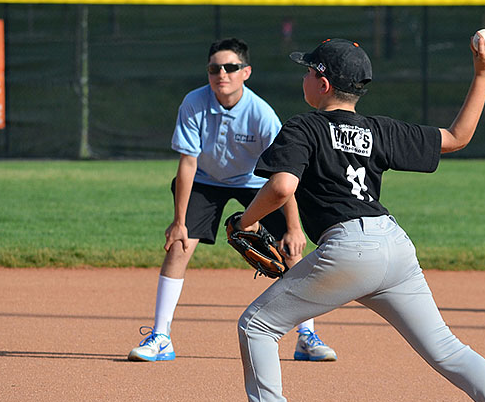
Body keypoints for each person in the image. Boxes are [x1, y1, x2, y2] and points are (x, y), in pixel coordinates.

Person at [214, 36, 485, 402]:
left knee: (257, 326)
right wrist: (484, 74)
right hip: (394, 245)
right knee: (446, 348)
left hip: (348, 249)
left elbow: (281, 187)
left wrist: (244, 222)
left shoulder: (305, 126)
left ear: (321, 81)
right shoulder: (378, 129)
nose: (304, 76)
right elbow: (458, 137)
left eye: (308, 70)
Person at [127, 37, 337, 363]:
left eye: (230, 67)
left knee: (292, 249)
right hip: (205, 180)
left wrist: (294, 228)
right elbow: (187, 164)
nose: (221, 74)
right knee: (181, 245)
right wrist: (179, 222)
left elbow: (286, 174)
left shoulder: (261, 114)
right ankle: (161, 337)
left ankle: (306, 337)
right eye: (214, 68)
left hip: (254, 182)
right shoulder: (194, 103)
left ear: (246, 72)